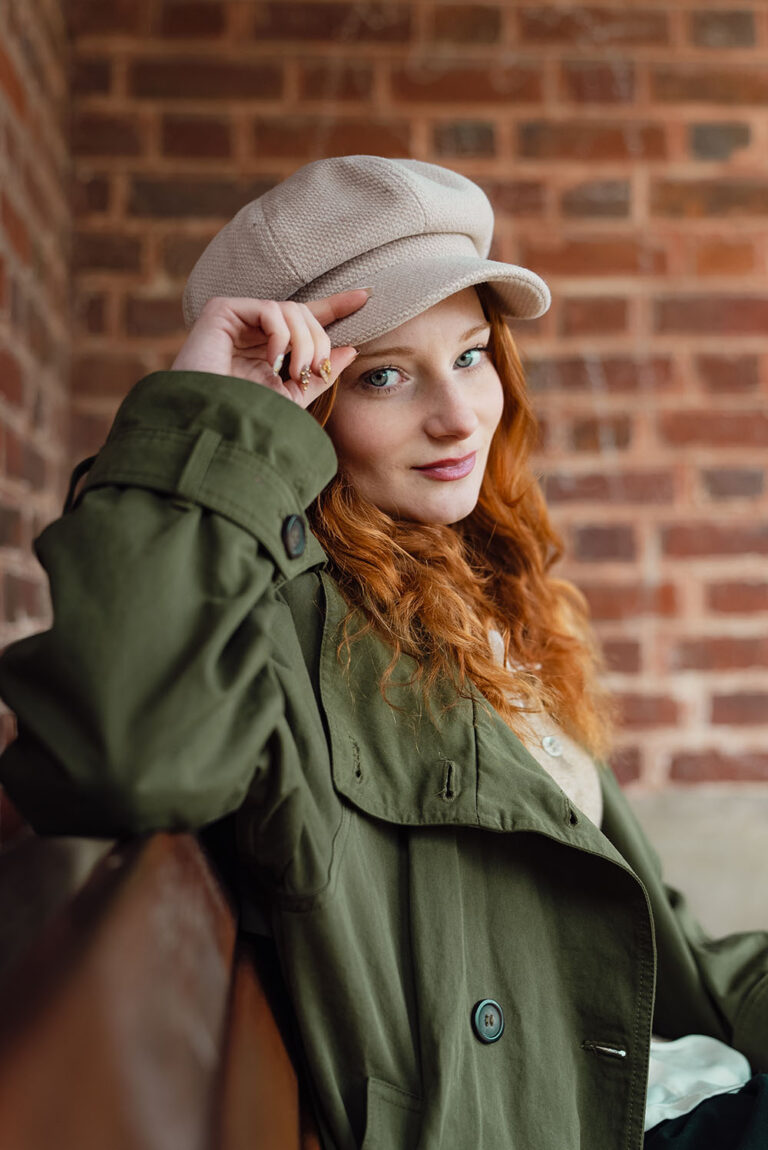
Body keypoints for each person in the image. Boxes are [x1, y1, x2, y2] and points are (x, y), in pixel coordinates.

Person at [0, 156, 766, 1149]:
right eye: (386, 375)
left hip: (655, 1085)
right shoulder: (283, 622)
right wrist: (211, 414)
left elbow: (663, 937)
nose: (456, 415)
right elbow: (129, 751)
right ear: (298, 399)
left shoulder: (489, 594)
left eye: (473, 355)